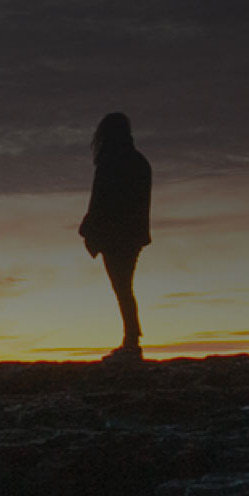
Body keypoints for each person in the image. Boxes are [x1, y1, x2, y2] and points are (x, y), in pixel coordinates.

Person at [78, 112, 152, 361]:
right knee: (124, 287)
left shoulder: (110, 162)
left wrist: (90, 229)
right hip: (131, 236)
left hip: (115, 236)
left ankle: (131, 342)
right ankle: (132, 339)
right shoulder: (139, 162)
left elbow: (100, 200)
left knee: (121, 287)